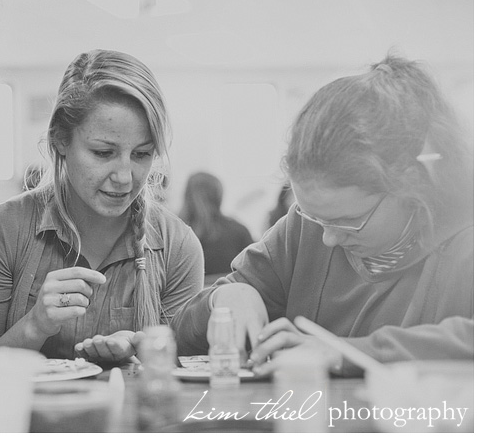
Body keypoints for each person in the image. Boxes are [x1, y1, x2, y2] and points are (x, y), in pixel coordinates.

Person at [171, 54, 473, 376]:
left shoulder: (465, 240)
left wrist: (346, 352)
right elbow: (179, 333)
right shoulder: (302, 230)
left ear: (412, 188)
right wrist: (223, 301)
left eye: (348, 221)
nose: (327, 238)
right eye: (315, 217)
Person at [0, 49, 205, 361]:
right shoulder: (2, 232)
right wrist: (34, 326)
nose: (125, 177)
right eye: (103, 153)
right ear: (60, 139)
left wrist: (144, 351)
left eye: (142, 154)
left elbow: (182, 381)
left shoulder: (177, 246)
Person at [179, 171, 253, 278]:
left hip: (190, 294)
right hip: (230, 292)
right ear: (219, 196)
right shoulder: (238, 231)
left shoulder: (175, 234)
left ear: (187, 196)